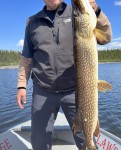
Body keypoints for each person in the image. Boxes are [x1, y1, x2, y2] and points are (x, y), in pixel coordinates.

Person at [16, 0, 112, 149]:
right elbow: (26, 58)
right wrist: (22, 85)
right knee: (38, 140)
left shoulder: (76, 14)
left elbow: (106, 37)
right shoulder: (32, 22)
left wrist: (96, 11)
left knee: (86, 135)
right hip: (43, 91)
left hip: (76, 90)